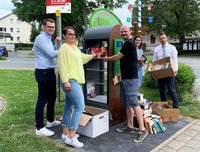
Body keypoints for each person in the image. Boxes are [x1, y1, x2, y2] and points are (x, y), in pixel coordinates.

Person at [102, 25, 148, 143]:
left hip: (131, 79)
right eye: (121, 32)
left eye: (125, 31)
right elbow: (128, 61)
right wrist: (120, 74)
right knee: (128, 103)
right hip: (126, 77)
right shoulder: (127, 43)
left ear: (130, 31)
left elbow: (118, 57)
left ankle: (142, 130)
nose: (123, 33)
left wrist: (106, 59)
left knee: (134, 103)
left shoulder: (129, 43)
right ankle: (130, 126)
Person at [58, 26, 97, 148]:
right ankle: (71, 136)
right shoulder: (63, 48)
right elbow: (61, 66)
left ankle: (65, 133)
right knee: (80, 106)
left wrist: (92, 56)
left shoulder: (74, 47)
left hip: (74, 81)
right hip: (70, 81)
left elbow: (82, 58)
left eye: (74, 34)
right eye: (70, 34)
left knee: (68, 107)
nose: (72, 36)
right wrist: (65, 81)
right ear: (64, 35)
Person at [34, 18, 61, 136]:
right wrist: (64, 48)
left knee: (52, 97)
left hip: (49, 71)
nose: (51, 29)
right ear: (43, 27)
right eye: (49, 27)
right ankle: (39, 127)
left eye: (53, 27)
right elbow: (51, 54)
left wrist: (56, 44)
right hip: (43, 72)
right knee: (42, 99)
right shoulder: (41, 38)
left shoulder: (48, 39)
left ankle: (50, 121)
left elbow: (51, 52)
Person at [153, 32, 179, 108]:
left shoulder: (172, 48)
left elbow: (175, 60)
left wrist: (175, 70)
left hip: (170, 72)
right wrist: (154, 71)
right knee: (162, 90)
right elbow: (155, 61)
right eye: (161, 38)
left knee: (172, 90)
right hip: (160, 72)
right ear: (159, 40)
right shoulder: (157, 49)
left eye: (164, 38)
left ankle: (176, 107)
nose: (163, 39)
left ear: (166, 38)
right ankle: (164, 106)